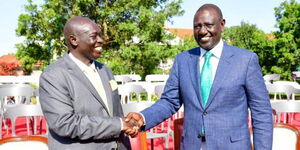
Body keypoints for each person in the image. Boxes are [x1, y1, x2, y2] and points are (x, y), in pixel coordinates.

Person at [126, 4, 273, 150]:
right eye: (197, 26)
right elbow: (169, 101)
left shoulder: (245, 60)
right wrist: (143, 118)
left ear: (222, 25)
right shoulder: (182, 61)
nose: (203, 31)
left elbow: (261, 112)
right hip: (192, 145)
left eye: (208, 25)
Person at [39, 16, 138, 150]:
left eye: (100, 35)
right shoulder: (54, 75)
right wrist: (118, 125)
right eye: (94, 36)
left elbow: (115, 112)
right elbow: (64, 123)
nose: (101, 40)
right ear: (74, 40)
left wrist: (126, 124)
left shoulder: (105, 70)